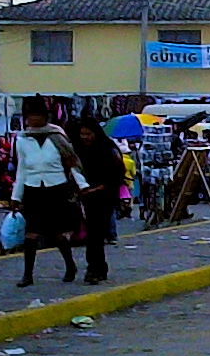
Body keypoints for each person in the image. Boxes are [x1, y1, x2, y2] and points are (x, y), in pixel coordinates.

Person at [11, 96, 88, 287]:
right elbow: (22, 169)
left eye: (37, 115)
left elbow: (72, 163)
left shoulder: (57, 137)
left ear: (46, 117)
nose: (33, 119)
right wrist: (16, 196)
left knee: (58, 233)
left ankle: (70, 265)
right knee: (31, 234)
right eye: (30, 116)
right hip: (33, 189)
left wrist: (82, 185)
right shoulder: (22, 139)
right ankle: (27, 275)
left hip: (57, 188)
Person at [75, 118, 125, 285]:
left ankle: (95, 268)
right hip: (87, 195)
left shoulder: (107, 148)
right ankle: (97, 267)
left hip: (105, 196)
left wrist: (100, 188)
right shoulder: (80, 150)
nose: (85, 137)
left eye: (88, 134)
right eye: (82, 134)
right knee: (93, 233)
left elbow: (117, 174)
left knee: (96, 233)